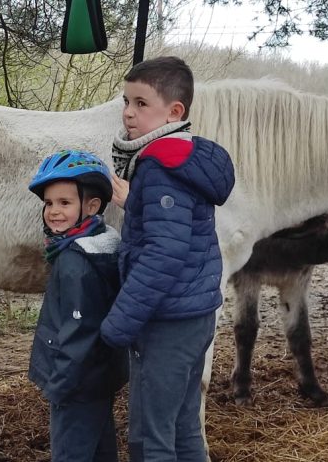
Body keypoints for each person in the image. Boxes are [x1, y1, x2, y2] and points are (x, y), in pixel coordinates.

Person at [100, 56, 235, 462]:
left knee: (151, 437)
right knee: (184, 427)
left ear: (175, 112)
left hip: (167, 324)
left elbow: (164, 254)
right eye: (126, 102)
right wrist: (135, 202)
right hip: (194, 315)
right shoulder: (184, 159)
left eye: (141, 104)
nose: (128, 113)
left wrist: (118, 324)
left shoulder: (159, 167)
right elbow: (175, 227)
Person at [27, 149, 127, 462]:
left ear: (92, 206)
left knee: (71, 453)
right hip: (99, 377)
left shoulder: (75, 261)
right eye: (49, 203)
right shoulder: (104, 247)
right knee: (100, 451)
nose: (54, 211)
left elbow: (79, 331)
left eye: (65, 203)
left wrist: (59, 385)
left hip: (76, 384)